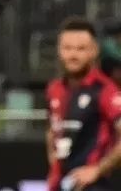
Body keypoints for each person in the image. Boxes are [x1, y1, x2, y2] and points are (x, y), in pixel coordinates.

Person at [46, 17, 121, 191]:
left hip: (93, 186)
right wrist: (54, 170)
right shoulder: (54, 88)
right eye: (67, 48)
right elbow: (51, 130)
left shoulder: (104, 89)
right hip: (61, 185)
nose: (73, 55)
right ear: (59, 50)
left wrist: (98, 169)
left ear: (94, 51)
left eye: (80, 49)